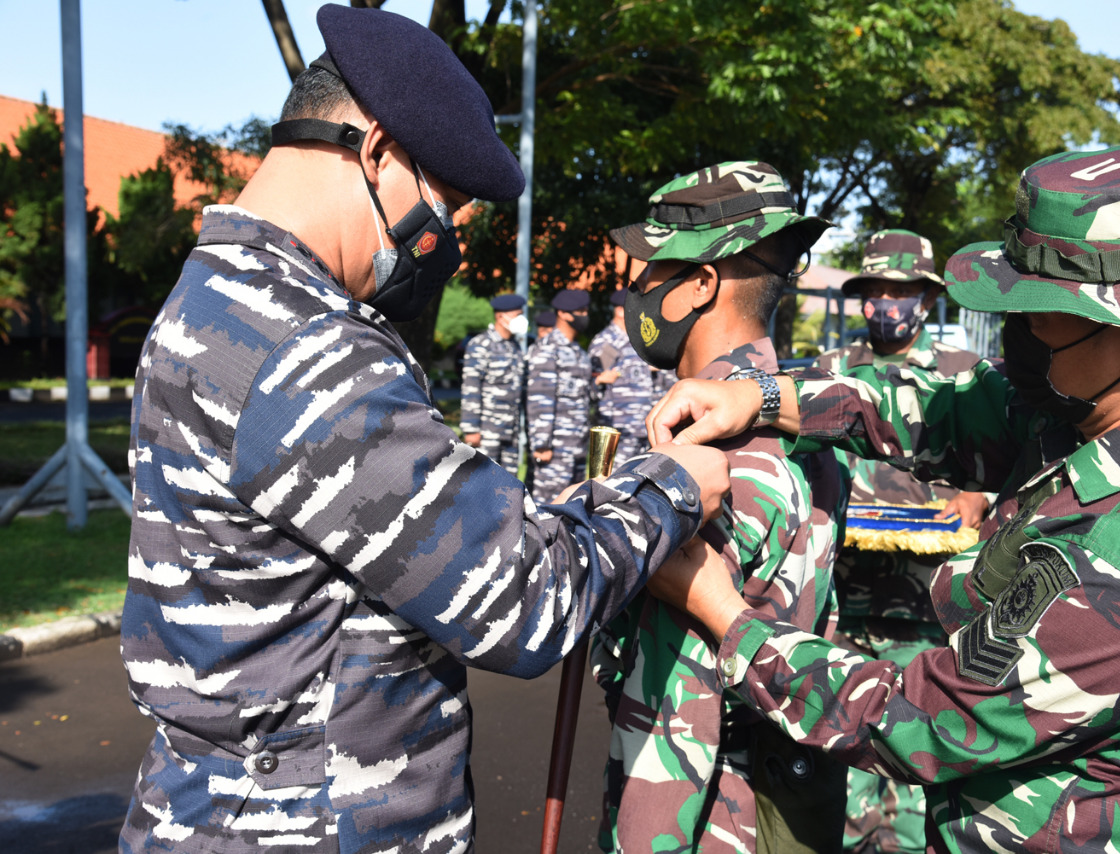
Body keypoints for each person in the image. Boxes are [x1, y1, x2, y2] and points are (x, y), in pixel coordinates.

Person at [118, 6, 729, 853]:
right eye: (444, 214)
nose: (443, 249)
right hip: (305, 826)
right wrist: (671, 487)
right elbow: (523, 600)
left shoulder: (219, 295)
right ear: (375, 151)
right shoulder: (305, 344)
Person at [644, 144, 1120, 852]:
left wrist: (721, 613)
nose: (1017, 334)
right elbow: (943, 407)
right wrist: (761, 396)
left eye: (1042, 313)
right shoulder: (1101, 407)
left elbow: (918, 719)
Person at [593, 161, 848, 853]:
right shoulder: (808, 425)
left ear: (700, 281)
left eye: (650, 272)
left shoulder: (701, 461)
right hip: (776, 806)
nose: (637, 291)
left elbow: (674, 723)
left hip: (707, 823)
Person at [816, 229, 988, 853]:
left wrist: (980, 495)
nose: (886, 304)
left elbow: (1009, 460)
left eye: (901, 291)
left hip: (932, 608)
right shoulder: (832, 373)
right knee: (847, 744)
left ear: (925, 299)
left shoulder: (967, 377)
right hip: (848, 599)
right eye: (875, 292)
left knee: (921, 748)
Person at [526, 288, 593, 502]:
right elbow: (540, 399)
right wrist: (542, 444)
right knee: (549, 509)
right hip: (554, 448)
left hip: (577, 444)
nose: (585, 315)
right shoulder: (547, 349)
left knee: (573, 506)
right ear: (563, 314)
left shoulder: (578, 352)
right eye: (580, 311)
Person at [460, 293, 528, 476]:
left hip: (511, 432)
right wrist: (471, 428)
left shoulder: (515, 347)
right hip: (486, 431)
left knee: (509, 484)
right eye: (517, 315)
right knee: (483, 481)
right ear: (500, 316)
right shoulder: (481, 345)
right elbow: (471, 387)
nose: (522, 319)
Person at [590, 289, 659, 462]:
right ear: (620, 311)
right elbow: (594, 380)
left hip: (641, 426)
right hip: (617, 428)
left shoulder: (638, 339)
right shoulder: (607, 342)